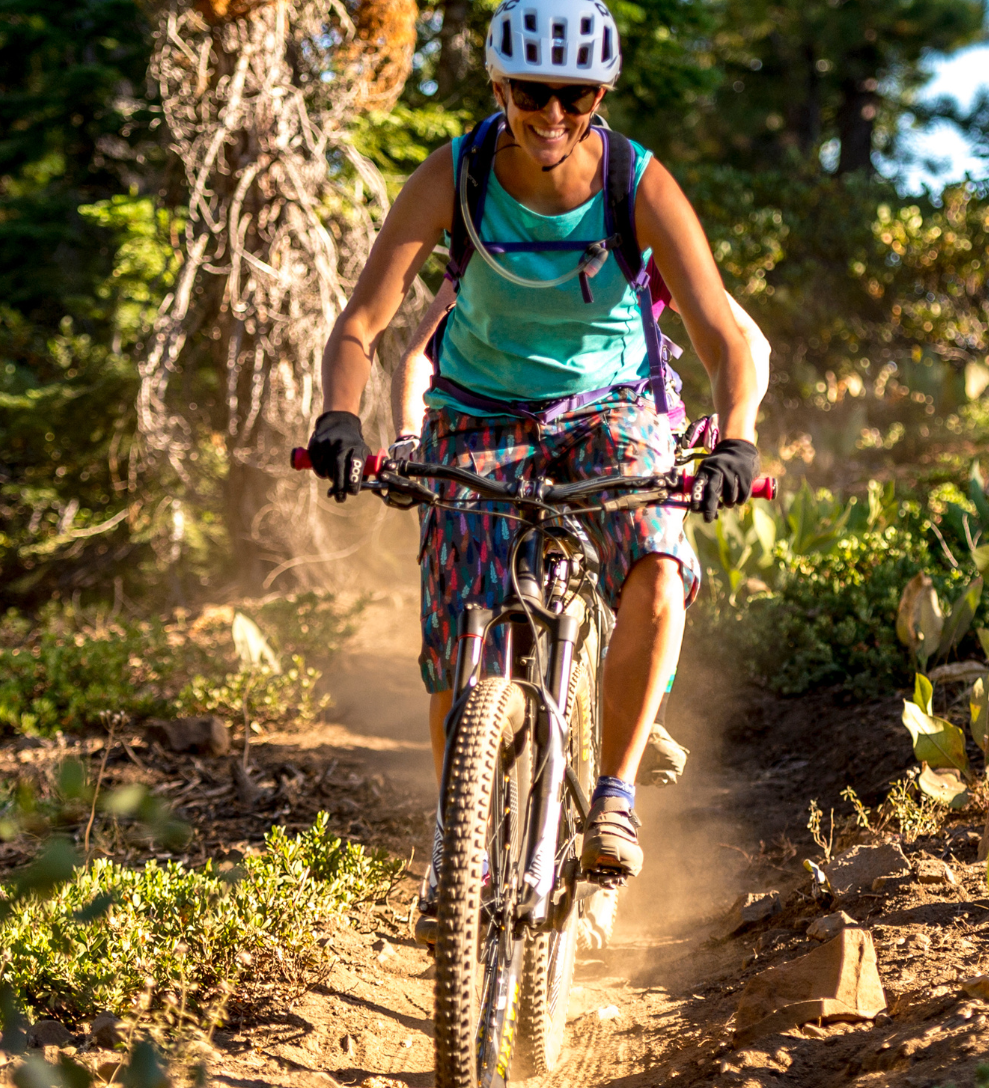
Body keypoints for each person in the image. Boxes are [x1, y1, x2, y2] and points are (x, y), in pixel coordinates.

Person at [305, 0, 764, 942]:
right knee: (461, 631)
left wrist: (739, 439)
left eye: (573, 97)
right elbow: (362, 321)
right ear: (499, 89)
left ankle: (614, 796)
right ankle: (457, 839)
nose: (551, 117)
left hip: (614, 407)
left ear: (599, 95)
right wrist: (340, 421)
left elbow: (723, 334)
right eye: (530, 94)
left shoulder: (637, 181)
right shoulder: (459, 175)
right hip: (476, 411)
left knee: (655, 559)